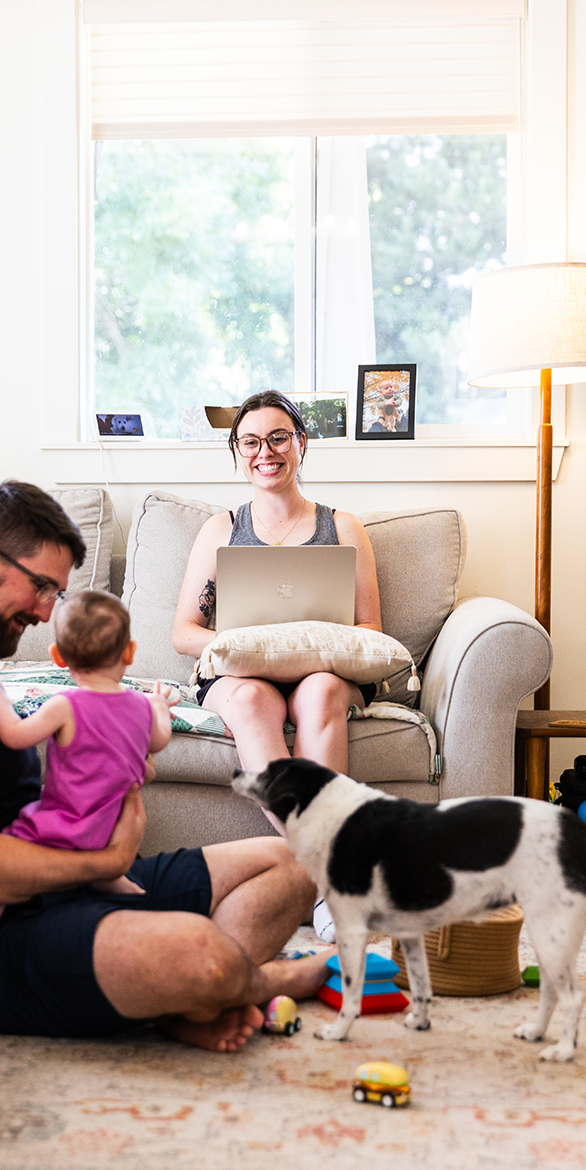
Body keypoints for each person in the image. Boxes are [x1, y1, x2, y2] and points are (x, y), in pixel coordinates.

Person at [0, 480, 331, 1051]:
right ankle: (251, 981)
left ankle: (180, 997)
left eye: (54, 593)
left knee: (294, 862)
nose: (43, 611)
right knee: (203, 958)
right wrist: (106, 860)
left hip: (66, 888)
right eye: (39, 587)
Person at [172, 390, 383, 940]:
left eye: (278, 437)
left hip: (325, 672)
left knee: (319, 693)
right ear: (236, 452)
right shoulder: (220, 529)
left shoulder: (343, 526)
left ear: (302, 444)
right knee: (247, 699)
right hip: (241, 675)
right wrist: (245, 647)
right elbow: (184, 632)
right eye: (250, 441)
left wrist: (307, 648)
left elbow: (370, 631)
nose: (264, 451)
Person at [0, 589, 176, 968]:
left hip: (62, 828)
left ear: (58, 659)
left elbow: (14, 736)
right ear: (129, 653)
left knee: (0, 872)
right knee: (112, 878)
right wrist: (159, 706)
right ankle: (139, 902)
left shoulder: (64, 705)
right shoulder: (140, 706)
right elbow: (160, 740)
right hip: (108, 830)